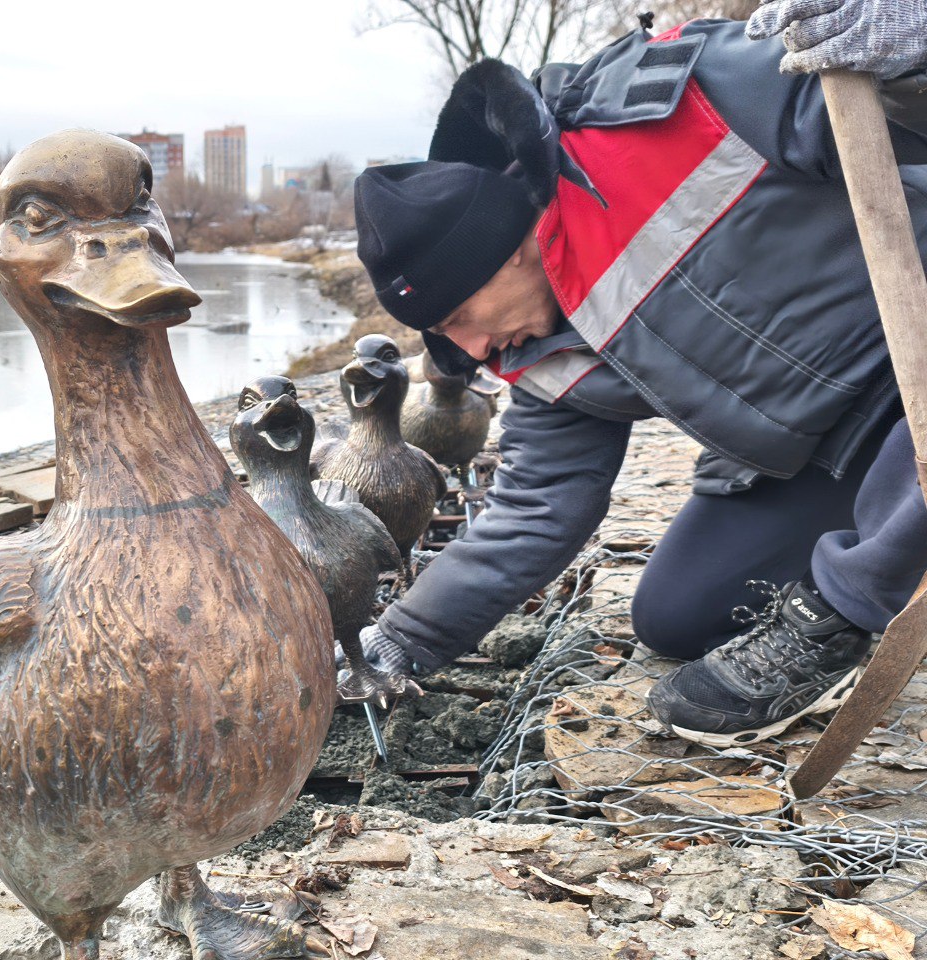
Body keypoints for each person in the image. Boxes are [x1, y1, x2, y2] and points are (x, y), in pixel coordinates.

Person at [346, 0, 927, 748]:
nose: (468, 347)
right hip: (832, 445)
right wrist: (401, 638)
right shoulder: (539, 352)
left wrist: (913, 49)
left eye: (459, 315)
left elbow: (889, 111)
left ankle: (847, 608)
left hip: (913, 337)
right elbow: (535, 509)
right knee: (681, 615)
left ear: (509, 247)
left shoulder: (676, 111)